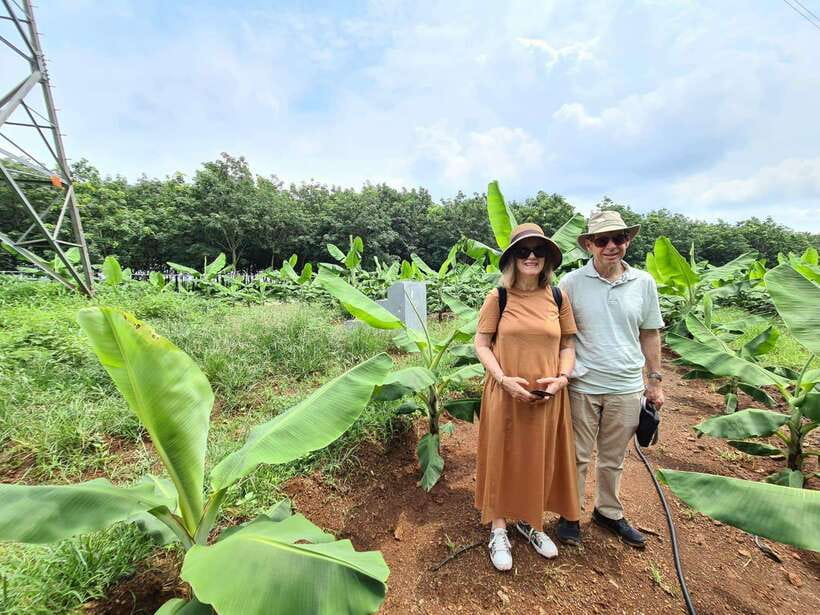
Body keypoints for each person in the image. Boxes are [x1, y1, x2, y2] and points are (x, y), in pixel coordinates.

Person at [473, 223, 580, 571]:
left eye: (538, 251)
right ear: (512, 258)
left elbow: (567, 344)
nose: (531, 256)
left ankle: (531, 523)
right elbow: (481, 344)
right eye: (523, 250)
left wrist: (562, 377)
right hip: (506, 391)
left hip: (548, 396)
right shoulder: (498, 298)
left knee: (539, 457)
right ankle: (499, 527)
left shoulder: (558, 298)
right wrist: (503, 379)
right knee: (504, 455)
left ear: (547, 258)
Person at [557, 210, 664, 549]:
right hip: (583, 385)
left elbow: (649, 333)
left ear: (628, 241)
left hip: (627, 386)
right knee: (577, 455)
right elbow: (561, 334)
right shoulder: (571, 283)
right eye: (602, 240)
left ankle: (608, 512)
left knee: (614, 457)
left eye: (619, 238)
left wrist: (655, 381)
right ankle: (570, 513)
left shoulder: (643, 282)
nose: (611, 246)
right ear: (589, 244)